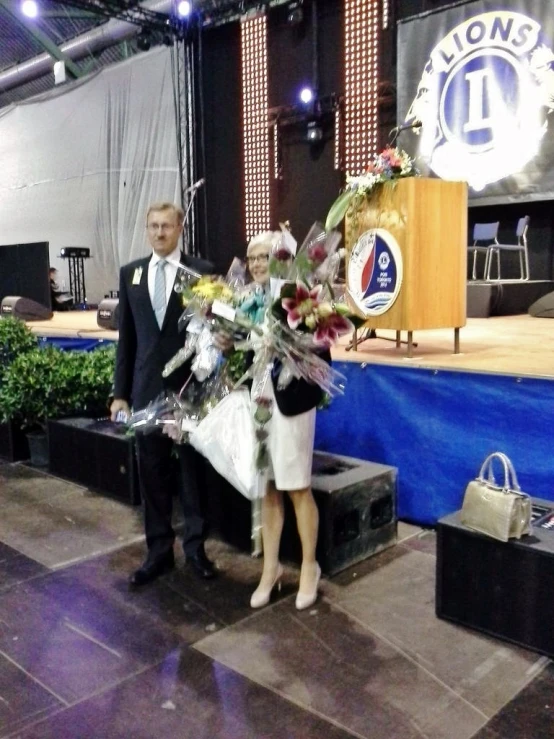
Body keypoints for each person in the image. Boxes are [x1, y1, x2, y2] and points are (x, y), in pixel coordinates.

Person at [110, 202, 217, 587]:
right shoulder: (131, 274)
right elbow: (128, 339)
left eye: (166, 226)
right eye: (153, 226)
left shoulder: (201, 272)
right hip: (145, 391)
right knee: (152, 473)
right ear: (147, 229)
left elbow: (212, 336)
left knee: (193, 474)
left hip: (190, 389)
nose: (159, 233)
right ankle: (158, 552)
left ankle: (196, 551)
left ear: (179, 228)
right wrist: (119, 393)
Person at [244, 231, 325, 611]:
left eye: (264, 257)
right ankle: (271, 567)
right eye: (252, 258)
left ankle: (309, 567)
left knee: (296, 486)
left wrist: (288, 346)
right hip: (259, 401)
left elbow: (322, 354)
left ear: (283, 261)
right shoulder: (246, 302)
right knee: (269, 487)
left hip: (292, 402)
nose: (257, 264)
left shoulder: (303, 299)